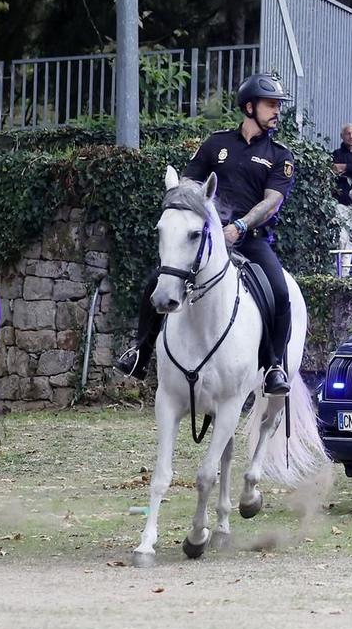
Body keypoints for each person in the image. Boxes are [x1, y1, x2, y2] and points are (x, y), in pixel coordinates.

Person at [116, 73, 297, 394]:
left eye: (278, 106)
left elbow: (272, 202)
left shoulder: (279, 155)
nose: (277, 111)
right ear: (249, 106)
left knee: (280, 294)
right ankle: (141, 352)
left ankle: (274, 366)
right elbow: (188, 184)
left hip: (252, 242)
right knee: (157, 280)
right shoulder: (216, 143)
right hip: (207, 240)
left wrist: (240, 225)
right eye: (271, 105)